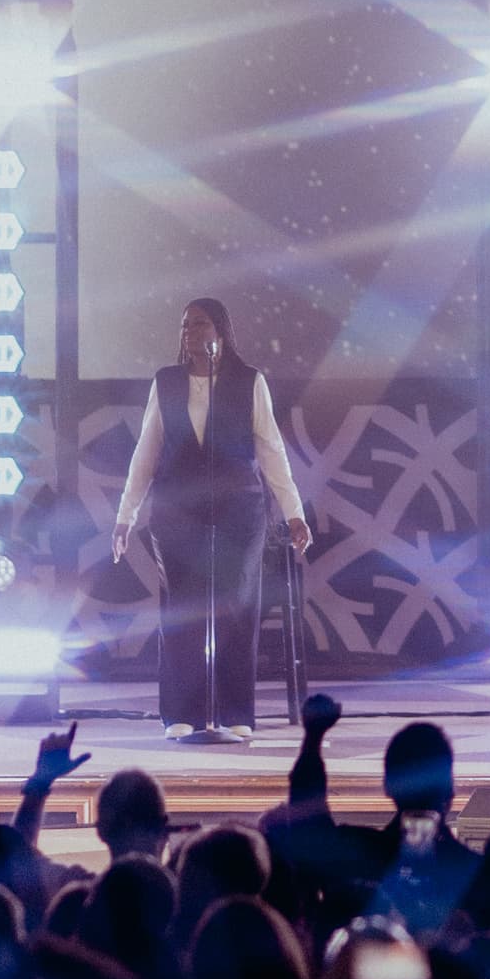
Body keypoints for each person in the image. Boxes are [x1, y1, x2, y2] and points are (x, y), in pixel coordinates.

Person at [112, 296, 312, 746]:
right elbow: (146, 451)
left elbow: (271, 450)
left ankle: (235, 712)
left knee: (237, 610)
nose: (188, 331)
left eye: (198, 323)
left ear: (219, 331)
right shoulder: (166, 382)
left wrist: (294, 512)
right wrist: (126, 516)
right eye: (184, 324)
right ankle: (180, 714)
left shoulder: (248, 381)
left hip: (239, 510)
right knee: (182, 613)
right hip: (177, 513)